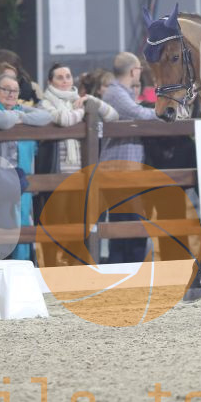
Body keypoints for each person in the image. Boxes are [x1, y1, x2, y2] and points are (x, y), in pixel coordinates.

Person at [0, 72, 53, 254]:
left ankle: (22, 264)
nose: (11, 94)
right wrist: (21, 115)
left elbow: (46, 116)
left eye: (15, 91)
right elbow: (4, 121)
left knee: (23, 224)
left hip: (19, 179)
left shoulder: (16, 108)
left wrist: (19, 115)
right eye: (6, 90)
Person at [99, 52, 162, 264]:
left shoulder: (119, 92)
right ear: (134, 71)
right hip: (119, 170)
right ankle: (126, 268)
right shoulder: (116, 93)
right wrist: (164, 112)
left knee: (127, 224)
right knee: (131, 224)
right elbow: (139, 114)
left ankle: (124, 268)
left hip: (124, 169)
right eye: (139, 69)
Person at [40, 62, 118, 174]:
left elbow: (113, 117)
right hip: (56, 169)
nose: (65, 81)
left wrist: (92, 100)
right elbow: (64, 119)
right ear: (50, 82)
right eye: (60, 78)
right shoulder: (45, 103)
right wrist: (83, 110)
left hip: (83, 167)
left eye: (68, 76)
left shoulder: (79, 100)